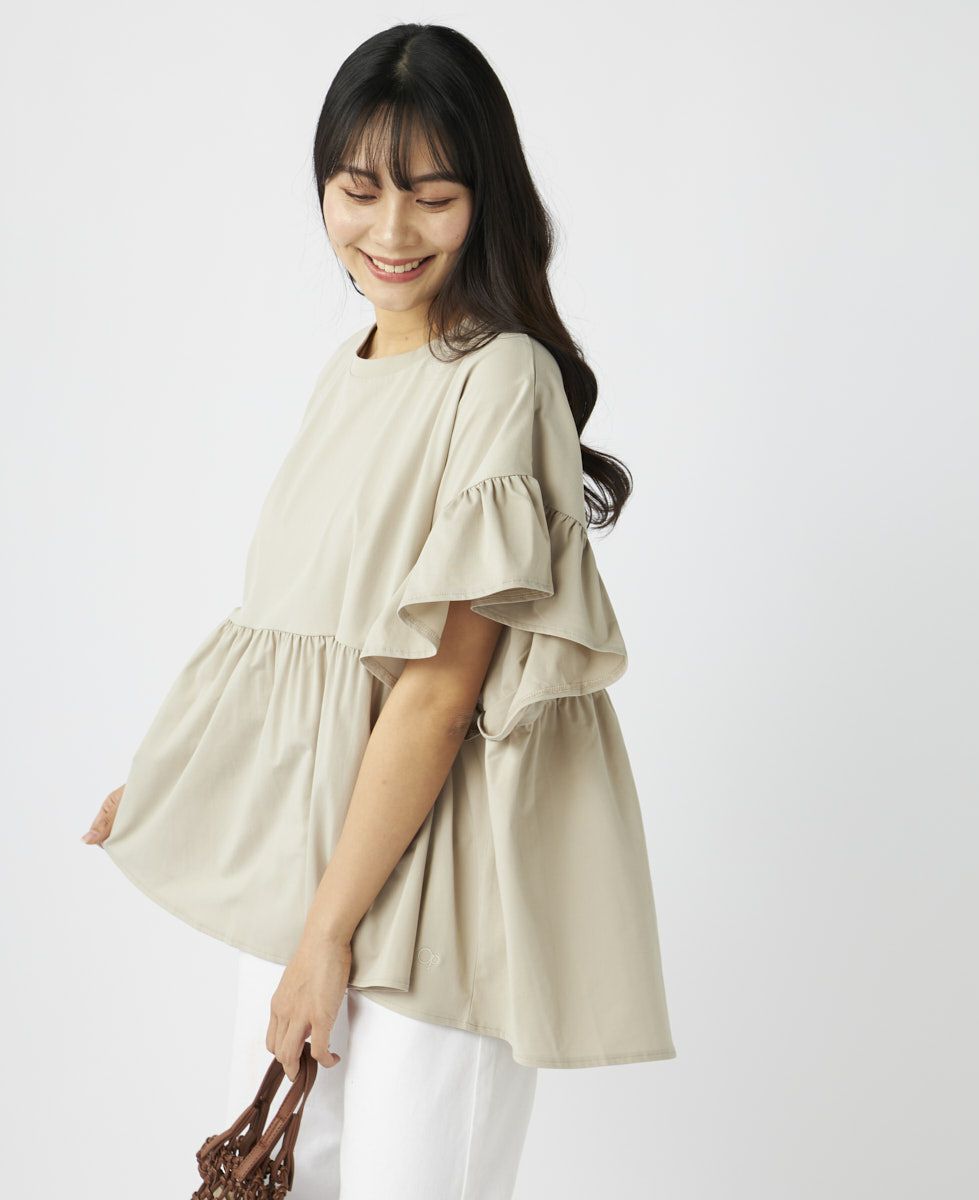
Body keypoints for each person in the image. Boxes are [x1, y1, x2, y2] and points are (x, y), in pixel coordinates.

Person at [82, 22, 676, 1199]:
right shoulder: (347, 368)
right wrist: (179, 784)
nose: (390, 232)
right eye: (358, 191)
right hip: (319, 877)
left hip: (434, 895)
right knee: (279, 1179)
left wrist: (324, 938)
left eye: (433, 197)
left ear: (486, 201)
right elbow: (298, 647)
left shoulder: (501, 379)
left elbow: (438, 691)